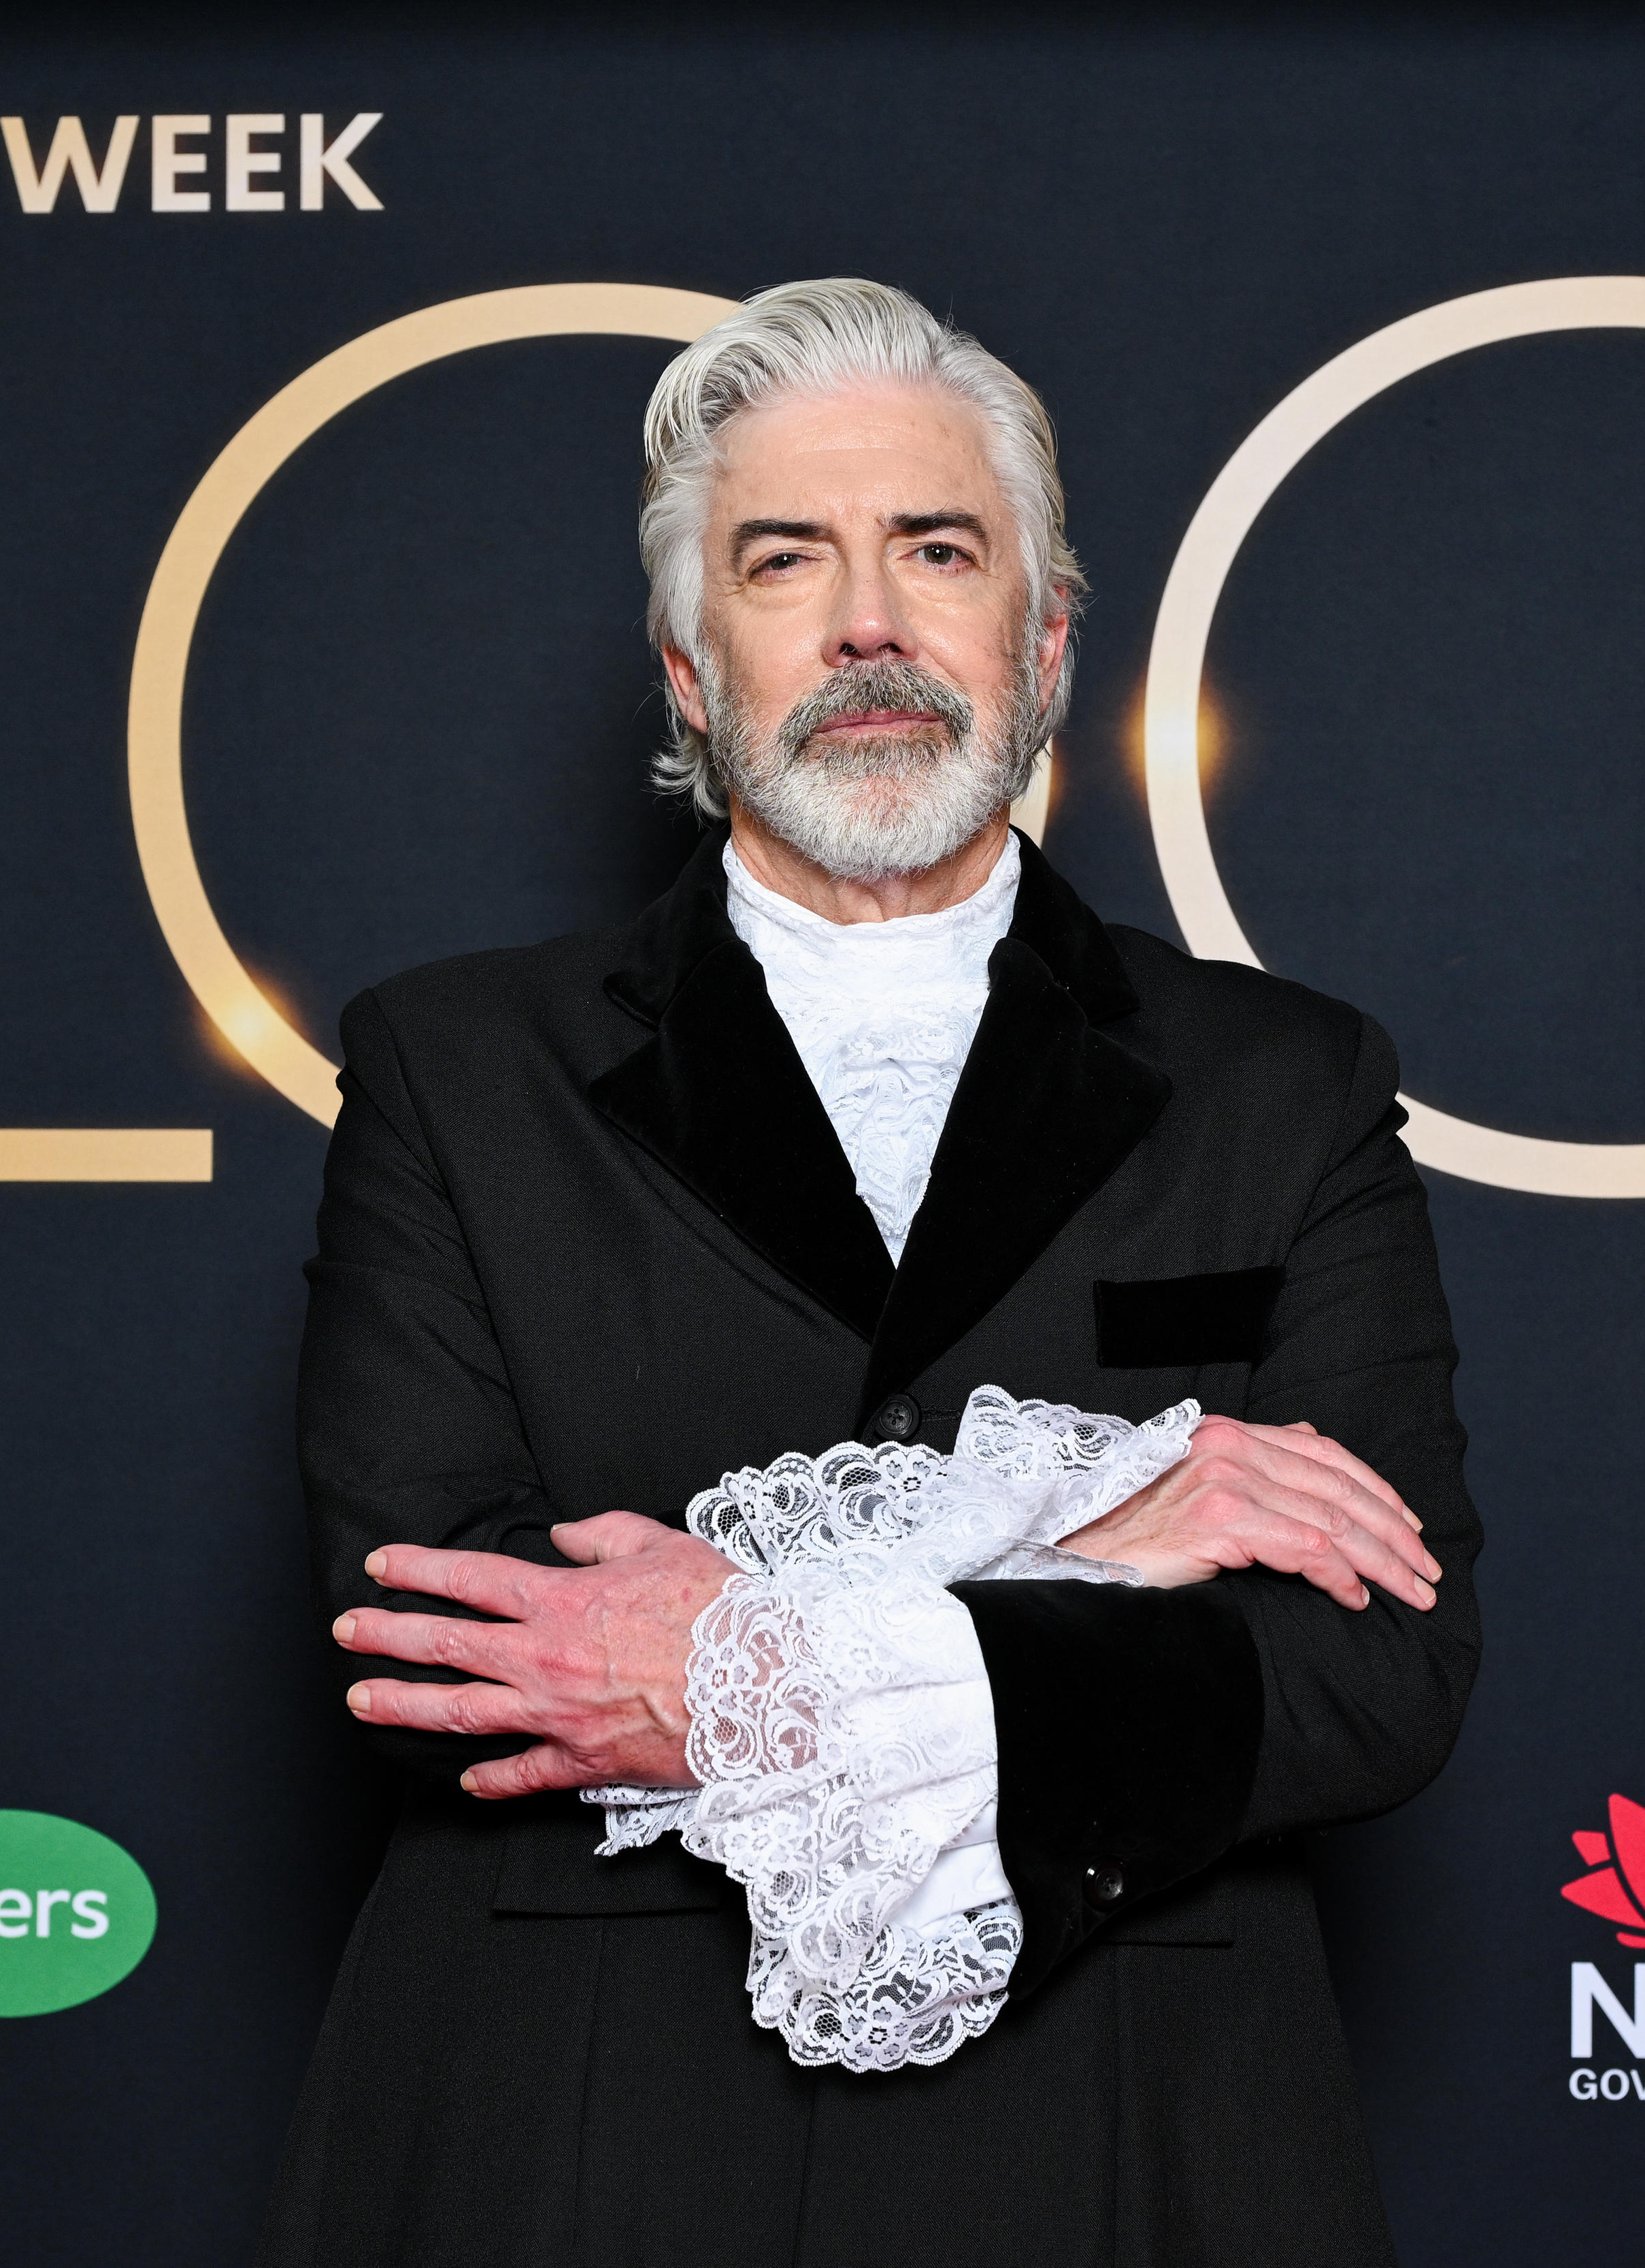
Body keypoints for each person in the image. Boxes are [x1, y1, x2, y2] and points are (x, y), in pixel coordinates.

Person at [264, 278, 1481, 2268]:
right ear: (686, 665)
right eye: (784, 559)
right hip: (575, 2140)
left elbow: (1370, 1671)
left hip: (1136, 2139)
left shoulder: (1288, 1082)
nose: (867, 623)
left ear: (1046, 635)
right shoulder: (450, 1067)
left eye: (937, 548)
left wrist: (727, 1661)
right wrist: (1104, 1520)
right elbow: (442, 1648)